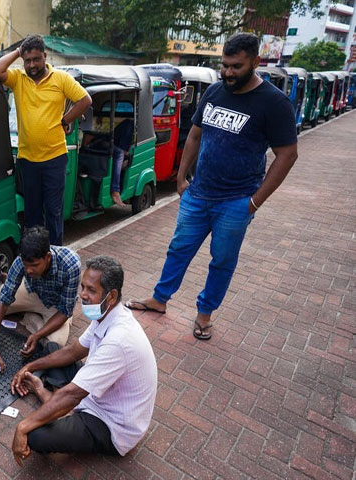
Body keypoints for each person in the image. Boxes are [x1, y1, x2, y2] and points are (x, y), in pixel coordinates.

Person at [125, 33, 298, 340]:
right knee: (178, 249)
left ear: (256, 62)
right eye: (225, 65)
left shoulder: (274, 103)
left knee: (222, 261)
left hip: (237, 201)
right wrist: (181, 176)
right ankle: (159, 299)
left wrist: (255, 202)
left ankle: (204, 314)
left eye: (236, 66)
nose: (229, 73)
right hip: (198, 193)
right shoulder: (216, 91)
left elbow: (288, 154)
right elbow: (194, 134)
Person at [10, 256, 157, 463]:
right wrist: (30, 366)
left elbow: (74, 394)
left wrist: (22, 426)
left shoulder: (119, 340)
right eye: (83, 287)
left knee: (35, 435)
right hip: (96, 396)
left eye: (91, 290)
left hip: (112, 426)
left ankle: (52, 400)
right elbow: (73, 352)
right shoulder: (106, 314)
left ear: (111, 296)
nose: (83, 295)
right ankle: (54, 402)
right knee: (53, 349)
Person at [0, 35, 92, 245]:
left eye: (36, 59)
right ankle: (33, 258)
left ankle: (54, 256)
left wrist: (66, 119)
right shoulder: (19, 79)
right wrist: (19, 51)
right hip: (27, 160)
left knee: (54, 213)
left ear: (45, 56)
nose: (32, 65)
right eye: (27, 60)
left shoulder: (61, 78)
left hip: (54, 159)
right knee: (32, 214)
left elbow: (85, 100)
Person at [0, 226, 81, 376]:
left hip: (56, 306)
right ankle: (26, 308)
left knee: (55, 344)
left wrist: (37, 336)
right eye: (26, 266)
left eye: (34, 266)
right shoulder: (21, 261)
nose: (29, 270)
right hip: (31, 292)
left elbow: (65, 311)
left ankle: (31, 319)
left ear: (47, 257)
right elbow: (3, 300)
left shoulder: (71, 264)